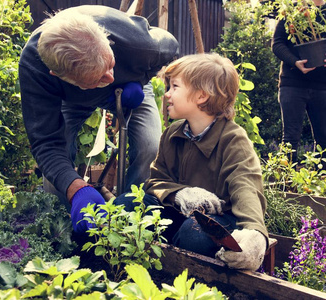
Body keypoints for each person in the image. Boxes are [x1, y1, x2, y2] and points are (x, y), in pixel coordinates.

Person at [18, 5, 179, 233]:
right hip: (72, 98)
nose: (109, 76)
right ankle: (65, 232)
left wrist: (140, 79)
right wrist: (75, 188)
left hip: (130, 89)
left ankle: (134, 221)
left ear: (107, 41)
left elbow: (171, 48)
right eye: (98, 78)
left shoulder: (139, 43)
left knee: (150, 147)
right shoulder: (35, 68)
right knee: (55, 175)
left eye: (110, 65)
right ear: (58, 75)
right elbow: (46, 144)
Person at [115, 53, 269, 271]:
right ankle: (130, 267)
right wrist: (180, 193)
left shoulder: (233, 139)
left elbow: (247, 186)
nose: (167, 94)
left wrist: (254, 231)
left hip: (222, 219)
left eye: (175, 87)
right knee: (124, 205)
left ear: (201, 96)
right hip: (177, 211)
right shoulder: (173, 133)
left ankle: (180, 280)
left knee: (193, 234)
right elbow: (156, 179)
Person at [271, 0, 326, 163]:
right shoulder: (292, 10)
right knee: (290, 139)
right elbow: (277, 43)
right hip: (292, 84)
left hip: (323, 86)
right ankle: (286, 184)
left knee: (324, 139)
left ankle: (321, 183)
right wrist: (294, 61)